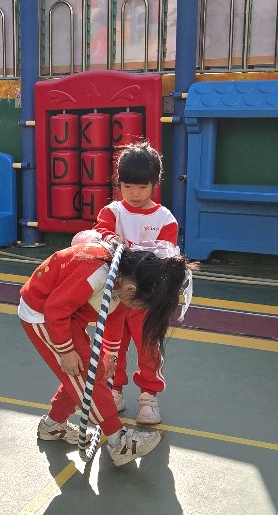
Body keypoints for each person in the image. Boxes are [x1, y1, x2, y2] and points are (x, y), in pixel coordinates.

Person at [20, 237, 192, 466]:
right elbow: (55, 308)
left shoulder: (124, 275)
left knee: (83, 374)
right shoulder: (95, 273)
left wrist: (110, 353)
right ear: (131, 290)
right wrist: (66, 350)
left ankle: (52, 425)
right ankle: (118, 441)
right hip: (43, 316)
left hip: (67, 317)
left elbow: (115, 314)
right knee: (88, 377)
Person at [93, 140, 179, 425]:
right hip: (115, 298)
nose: (134, 193)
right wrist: (110, 238)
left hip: (146, 299)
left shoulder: (165, 219)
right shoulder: (112, 212)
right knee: (111, 347)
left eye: (142, 187)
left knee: (149, 347)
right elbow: (100, 234)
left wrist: (130, 250)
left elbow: (164, 256)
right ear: (118, 183)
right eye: (127, 186)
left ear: (155, 184)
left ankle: (148, 397)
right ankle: (113, 391)